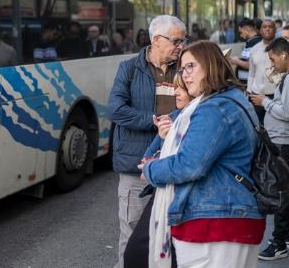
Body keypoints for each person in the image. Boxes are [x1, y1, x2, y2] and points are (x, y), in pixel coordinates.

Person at [141, 41, 264, 268]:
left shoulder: (213, 108)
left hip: (216, 221)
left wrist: (150, 169)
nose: (185, 76)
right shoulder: (233, 98)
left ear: (210, 65)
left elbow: (189, 165)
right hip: (231, 216)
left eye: (191, 67)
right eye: (181, 69)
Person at [107, 15, 187, 267]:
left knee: (171, 234)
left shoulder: (185, 68)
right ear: (156, 40)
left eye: (183, 41)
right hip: (136, 165)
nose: (180, 46)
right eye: (176, 41)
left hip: (175, 164)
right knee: (132, 236)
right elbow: (116, 109)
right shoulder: (129, 68)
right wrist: (154, 121)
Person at [249, 38, 289, 261]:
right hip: (285, 140)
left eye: (273, 58)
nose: (272, 63)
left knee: (281, 190)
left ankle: (279, 243)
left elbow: (287, 112)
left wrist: (264, 101)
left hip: (285, 141)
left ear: (284, 55)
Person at [246, 18, 278, 122]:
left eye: (270, 27)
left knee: (274, 126)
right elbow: (251, 72)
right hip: (256, 94)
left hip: (275, 95)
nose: (267, 29)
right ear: (260, 31)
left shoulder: (282, 48)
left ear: (275, 30)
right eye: (264, 27)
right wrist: (249, 91)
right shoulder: (254, 49)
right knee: (257, 126)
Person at [228, 18, 261, 86]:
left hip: (250, 84)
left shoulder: (254, 43)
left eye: (241, 32)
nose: (240, 35)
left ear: (247, 29)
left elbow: (251, 65)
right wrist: (239, 59)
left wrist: (236, 61)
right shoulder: (252, 42)